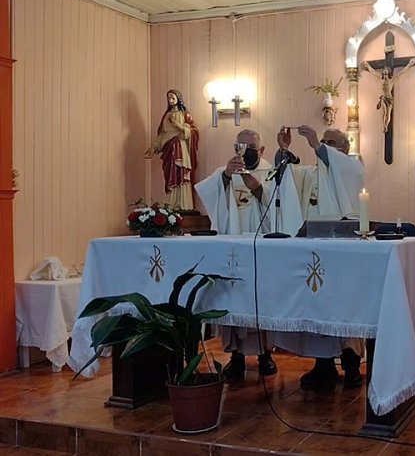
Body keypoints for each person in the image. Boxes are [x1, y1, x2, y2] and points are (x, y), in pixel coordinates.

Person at [194, 129, 303, 379]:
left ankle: (265, 354)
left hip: (260, 247)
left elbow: (280, 207)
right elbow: (211, 197)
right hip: (233, 249)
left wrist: (258, 190)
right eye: (239, 146)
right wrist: (225, 176)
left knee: (260, 299)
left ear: (261, 150)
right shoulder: (226, 171)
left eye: (250, 147)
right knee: (233, 298)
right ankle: (236, 356)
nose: (244, 151)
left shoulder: (270, 172)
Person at [272, 125, 366, 389]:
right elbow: (286, 178)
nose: (323, 145)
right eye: (323, 141)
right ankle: (323, 365)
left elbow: (339, 165)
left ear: (345, 149)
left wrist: (317, 145)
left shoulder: (352, 167)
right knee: (316, 306)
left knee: (343, 307)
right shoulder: (309, 174)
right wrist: (283, 150)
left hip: (341, 253)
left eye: (330, 143)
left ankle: (351, 364)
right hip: (312, 252)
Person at [145, 89, 199, 211]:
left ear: (178, 99)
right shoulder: (166, 116)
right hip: (168, 148)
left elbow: (193, 132)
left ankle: (184, 204)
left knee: (181, 173)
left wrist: (179, 127)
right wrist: (154, 147)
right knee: (170, 173)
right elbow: (162, 134)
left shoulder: (185, 115)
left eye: (173, 98)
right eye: (168, 98)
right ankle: (172, 203)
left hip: (180, 147)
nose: (170, 100)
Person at [362, 58, 415, 133]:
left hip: (389, 98)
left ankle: (386, 125)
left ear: (388, 73)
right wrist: (368, 66)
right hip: (384, 98)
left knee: (388, 114)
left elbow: (401, 72)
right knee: (384, 112)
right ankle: (384, 126)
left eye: (386, 73)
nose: (385, 75)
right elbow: (373, 72)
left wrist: (409, 64)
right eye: (384, 73)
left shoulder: (392, 80)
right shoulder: (381, 80)